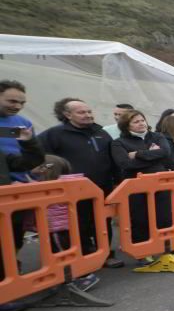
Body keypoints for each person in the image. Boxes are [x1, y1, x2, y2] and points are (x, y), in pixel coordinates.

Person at [38, 98, 124, 268]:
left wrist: (117, 182)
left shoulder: (101, 132)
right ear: (67, 114)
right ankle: (85, 256)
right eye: (81, 112)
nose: (88, 115)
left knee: (103, 222)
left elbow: (112, 159)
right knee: (79, 223)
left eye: (89, 111)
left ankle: (105, 254)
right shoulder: (54, 134)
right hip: (73, 191)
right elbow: (39, 157)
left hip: (102, 187)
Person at [27, 155, 100, 291]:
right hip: (67, 225)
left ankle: (76, 280)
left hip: (56, 227)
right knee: (69, 252)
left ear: (46, 168)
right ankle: (82, 276)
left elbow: (32, 188)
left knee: (61, 255)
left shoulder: (50, 186)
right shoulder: (68, 182)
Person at [110, 110, 172, 247]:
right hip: (136, 187)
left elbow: (166, 153)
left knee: (164, 216)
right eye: (136, 122)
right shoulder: (118, 143)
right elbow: (125, 164)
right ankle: (142, 250)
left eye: (142, 120)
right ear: (127, 125)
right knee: (140, 219)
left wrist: (137, 154)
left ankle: (165, 247)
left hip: (159, 183)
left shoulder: (157, 136)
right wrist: (154, 155)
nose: (141, 123)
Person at [0, 80, 38, 261]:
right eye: (12, 101)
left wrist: (31, 177)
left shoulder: (23, 123)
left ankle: (11, 266)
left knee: (15, 235)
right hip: (4, 185)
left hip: (18, 190)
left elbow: (31, 156)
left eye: (22, 103)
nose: (18, 106)